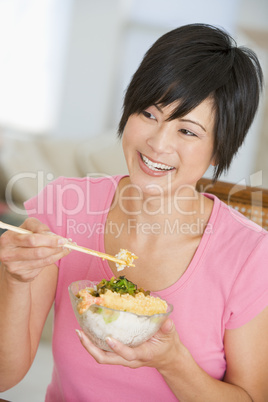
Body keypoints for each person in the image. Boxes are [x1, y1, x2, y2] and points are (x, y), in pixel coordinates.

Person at [0, 23, 267, 401]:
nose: (158, 144)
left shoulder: (250, 255)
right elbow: (4, 377)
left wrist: (173, 361)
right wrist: (14, 280)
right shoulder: (64, 206)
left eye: (187, 131)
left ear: (220, 149)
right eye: (148, 114)